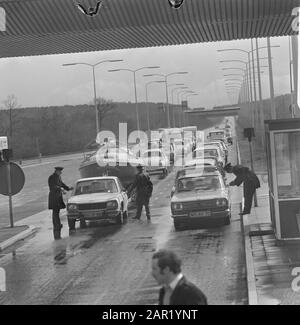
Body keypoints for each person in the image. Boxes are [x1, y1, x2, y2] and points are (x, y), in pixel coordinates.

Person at [48, 167, 73, 240]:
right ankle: (56, 225)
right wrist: (61, 189)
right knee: (55, 211)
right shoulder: (51, 177)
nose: (61, 173)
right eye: (60, 171)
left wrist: (68, 188)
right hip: (53, 197)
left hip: (58, 196)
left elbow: (62, 184)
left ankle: (57, 224)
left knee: (57, 211)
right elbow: (53, 187)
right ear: (56, 171)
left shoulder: (58, 177)